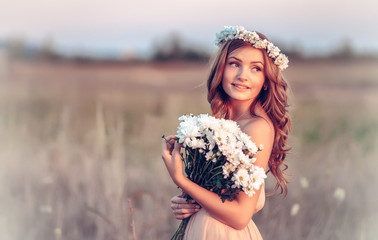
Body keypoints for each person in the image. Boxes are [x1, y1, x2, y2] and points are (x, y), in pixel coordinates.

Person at [161, 26, 291, 239]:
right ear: (221, 68)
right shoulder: (222, 124)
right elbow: (216, 196)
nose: (243, 76)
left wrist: (181, 179)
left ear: (267, 80)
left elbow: (240, 216)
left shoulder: (257, 127)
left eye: (256, 68)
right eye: (234, 64)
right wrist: (188, 203)